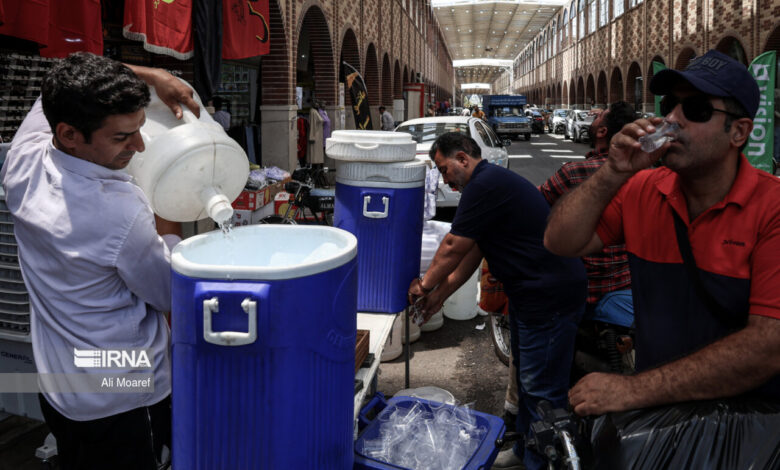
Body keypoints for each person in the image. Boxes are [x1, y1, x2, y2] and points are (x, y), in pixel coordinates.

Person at [544, 49, 780, 417]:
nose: (671, 118)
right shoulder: (642, 188)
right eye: (669, 104)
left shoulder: (772, 207)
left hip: (750, 424)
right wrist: (612, 171)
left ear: (738, 132)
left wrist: (635, 388)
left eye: (696, 109)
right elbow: (561, 242)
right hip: (659, 420)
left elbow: (768, 346)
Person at [1, 52, 200, 469]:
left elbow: (66, 76)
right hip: (123, 392)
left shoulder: (23, 160)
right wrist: (170, 198)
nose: (140, 145)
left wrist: (153, 76)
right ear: (70, 133)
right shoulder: (118, 212)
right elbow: (169, 292)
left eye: (140, 130)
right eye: (121, 137)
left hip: (62, 385)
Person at [408, 132, 587, 470]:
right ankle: (527, 453)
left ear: (463, 158)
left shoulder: (485, 184)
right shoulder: (488, 186)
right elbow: (473, 254)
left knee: (541, 389)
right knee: (526, 382)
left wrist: (423, 285)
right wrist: (438, 297)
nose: (445, 179)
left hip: (548, 296)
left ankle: (548, 461)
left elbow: (452, 247)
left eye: (445, 169)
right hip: (529, 294)